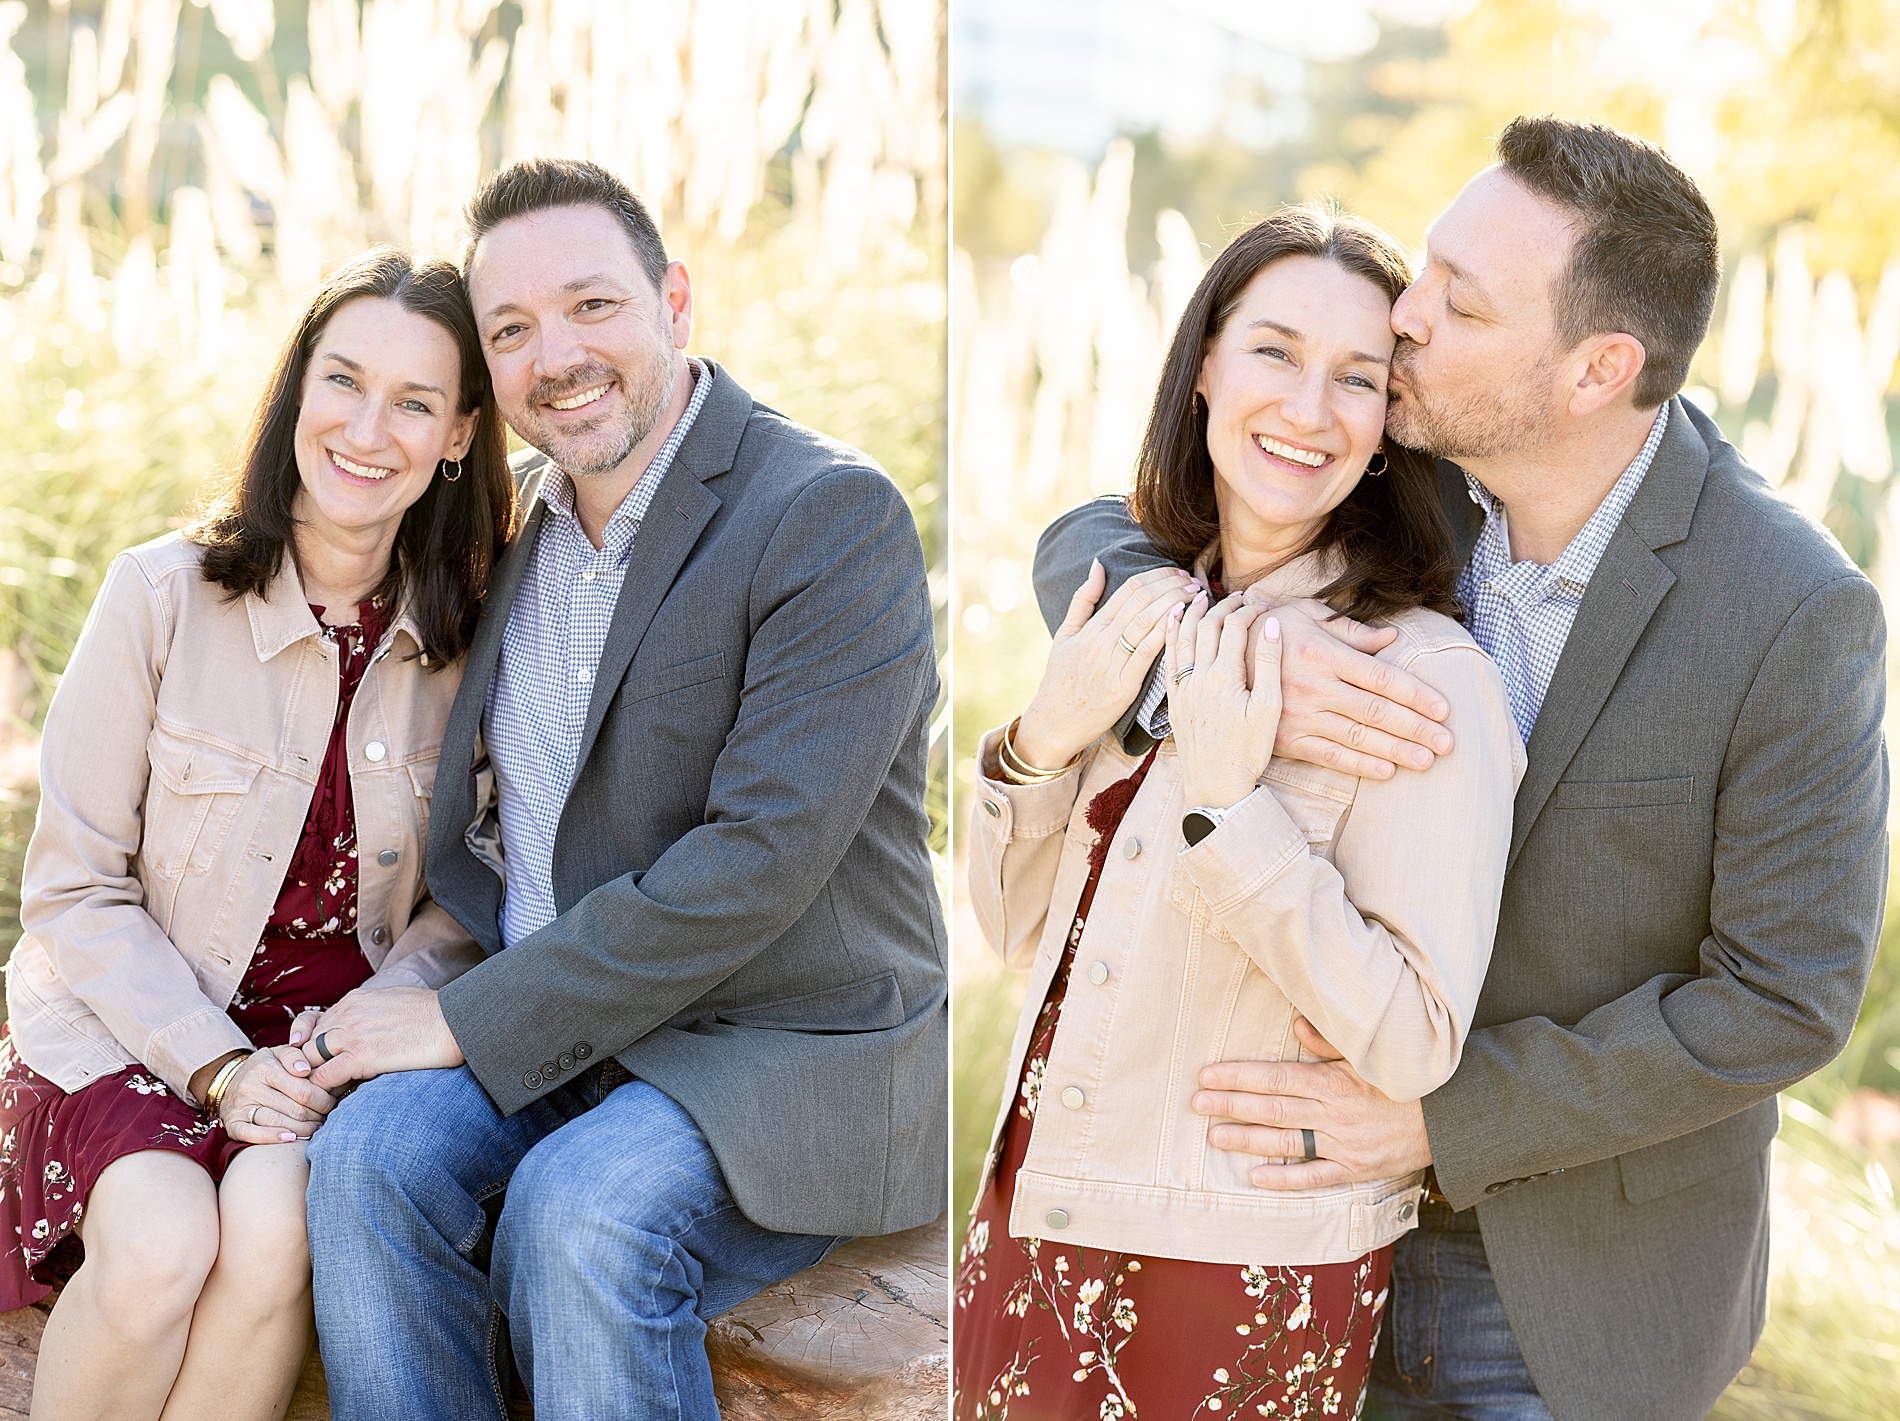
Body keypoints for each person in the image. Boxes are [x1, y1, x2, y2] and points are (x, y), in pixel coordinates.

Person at [1035, 118, 1888, 1421]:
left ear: (1597, 366)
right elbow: (1100, 534)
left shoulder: (1787, 608)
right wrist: (1206, 668)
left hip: (1572, 1297)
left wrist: (1444, 1121)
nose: (1405, 320)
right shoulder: (1397, 468)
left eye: (1461, 302)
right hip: (1289, 1227)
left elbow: (1784, 995)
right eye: (1427, 269)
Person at [295, 158, 947, 1421]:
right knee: (366, 1160)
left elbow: (756, 860)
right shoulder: (519, 526)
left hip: (777, 1044)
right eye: (512, 330)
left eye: (592, 305)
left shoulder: (826, 514)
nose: (558, 354)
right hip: (573, 1036)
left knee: (581, 1210)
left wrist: (470, 1019)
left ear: (675, 300)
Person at [954, 205, 1524, 1421]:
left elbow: (1415, 1036)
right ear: (1204, 364)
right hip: (1030, 1211)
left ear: (1386, 429)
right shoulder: (1134, 614)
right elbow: (1006, 935)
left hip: (1229, 1267)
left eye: (1356, 378)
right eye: (1272, 351)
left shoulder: (1415, 683)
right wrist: (1041, 736)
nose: (1307, 409)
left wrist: (1227, 805)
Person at [2, 248, 513, 1420]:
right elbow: (73, 891)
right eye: (343, 380)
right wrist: (216, 1062)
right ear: (298, 390)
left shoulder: (470, 639)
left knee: (279, 1229)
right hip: (133, 1015)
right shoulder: (160, 595)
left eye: (415, 402)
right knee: (161, 1244)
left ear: (456, 436)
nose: (366, 428)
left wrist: (359, 1031)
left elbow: (467, 890)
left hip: (314, 1047)